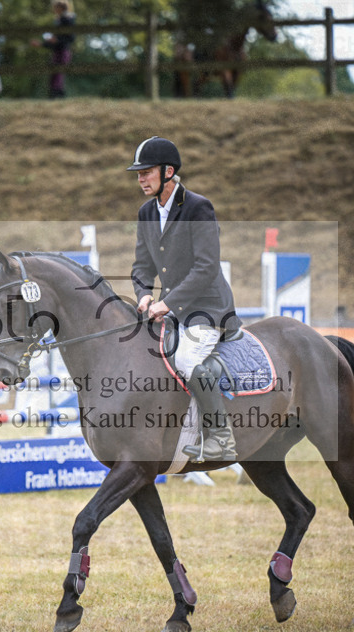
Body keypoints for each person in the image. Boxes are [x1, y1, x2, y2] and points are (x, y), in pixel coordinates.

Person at [128, 136, 240, 462]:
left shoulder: (197, 207)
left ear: (168, 172)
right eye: (138, 173)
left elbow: (206, 268)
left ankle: (220, 437)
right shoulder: (146, 212)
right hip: (173, 309)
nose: (140, 178)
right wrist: (144, 294)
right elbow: (141, 266)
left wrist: (167, 304)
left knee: (188, 360)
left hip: (208, 307)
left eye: (146, 171)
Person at [41, 1, 76, 98]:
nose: (54, 10)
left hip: (63, 50)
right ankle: (55, 95)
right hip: (57, 50)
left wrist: (57, 40)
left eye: (55, 7)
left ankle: (57, 96)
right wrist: (43, 43)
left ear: (61, 8)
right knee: (54, 74)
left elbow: (70, 38)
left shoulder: (67, 19)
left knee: (58, 75)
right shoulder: (58, 20)